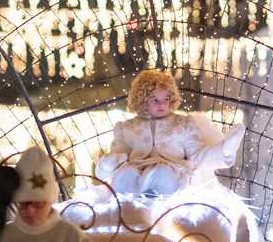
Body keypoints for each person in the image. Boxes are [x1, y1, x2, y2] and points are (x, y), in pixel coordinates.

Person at [95, 69, 245, 195]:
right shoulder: (126, 127)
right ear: (142, 100)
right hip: (136, 168)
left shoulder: (183, 124)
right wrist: (109, 164)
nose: (161, 104)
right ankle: (128, 213)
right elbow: (118, 153)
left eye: (165, 99)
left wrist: (224, 150)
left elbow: (197, 156)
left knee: (162, 173)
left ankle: (157, 211)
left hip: (171, 169)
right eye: (155, 100)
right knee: (124, 174)